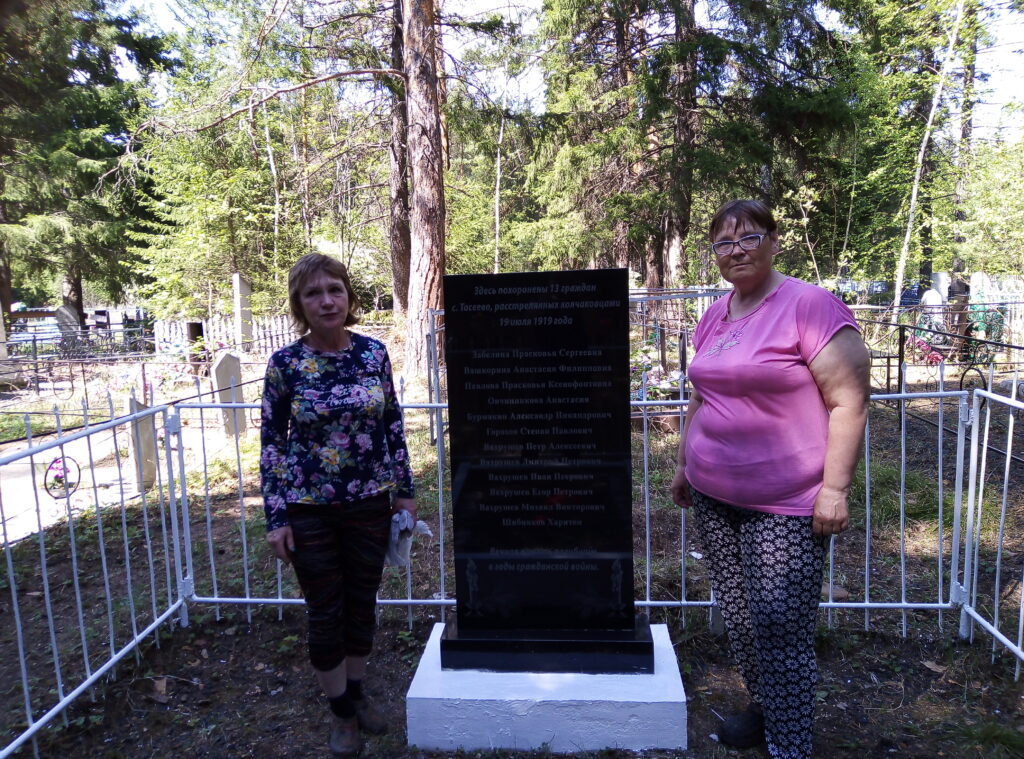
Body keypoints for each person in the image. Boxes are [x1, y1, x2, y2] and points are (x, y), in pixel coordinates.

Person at [670, 199, 869, 759]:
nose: (735, 251)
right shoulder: (715, 315)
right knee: (741, 618)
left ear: (774, 242)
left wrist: (834, 490)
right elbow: (701, 396)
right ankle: (766, 708)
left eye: (749, 238)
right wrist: (684, 464)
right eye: (723, 243)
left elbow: (850, 402)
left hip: (787, 503)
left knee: (781, 625)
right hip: (713, 494)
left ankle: (790, 744)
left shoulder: (810, 306)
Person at [260, 253, 417, 757]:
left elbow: (392, 425)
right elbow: (272, 444)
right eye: (313, 293)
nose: (326, 301)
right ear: (299, 303)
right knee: (326, 612)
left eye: (335, 290)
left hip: (370, 503)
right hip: (309, 509)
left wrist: (405, 492)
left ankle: (357, 690)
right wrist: (276, 517)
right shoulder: (285, 364)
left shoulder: (373, 354)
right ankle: (341, 713)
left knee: (362, 604)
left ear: (348, 297)